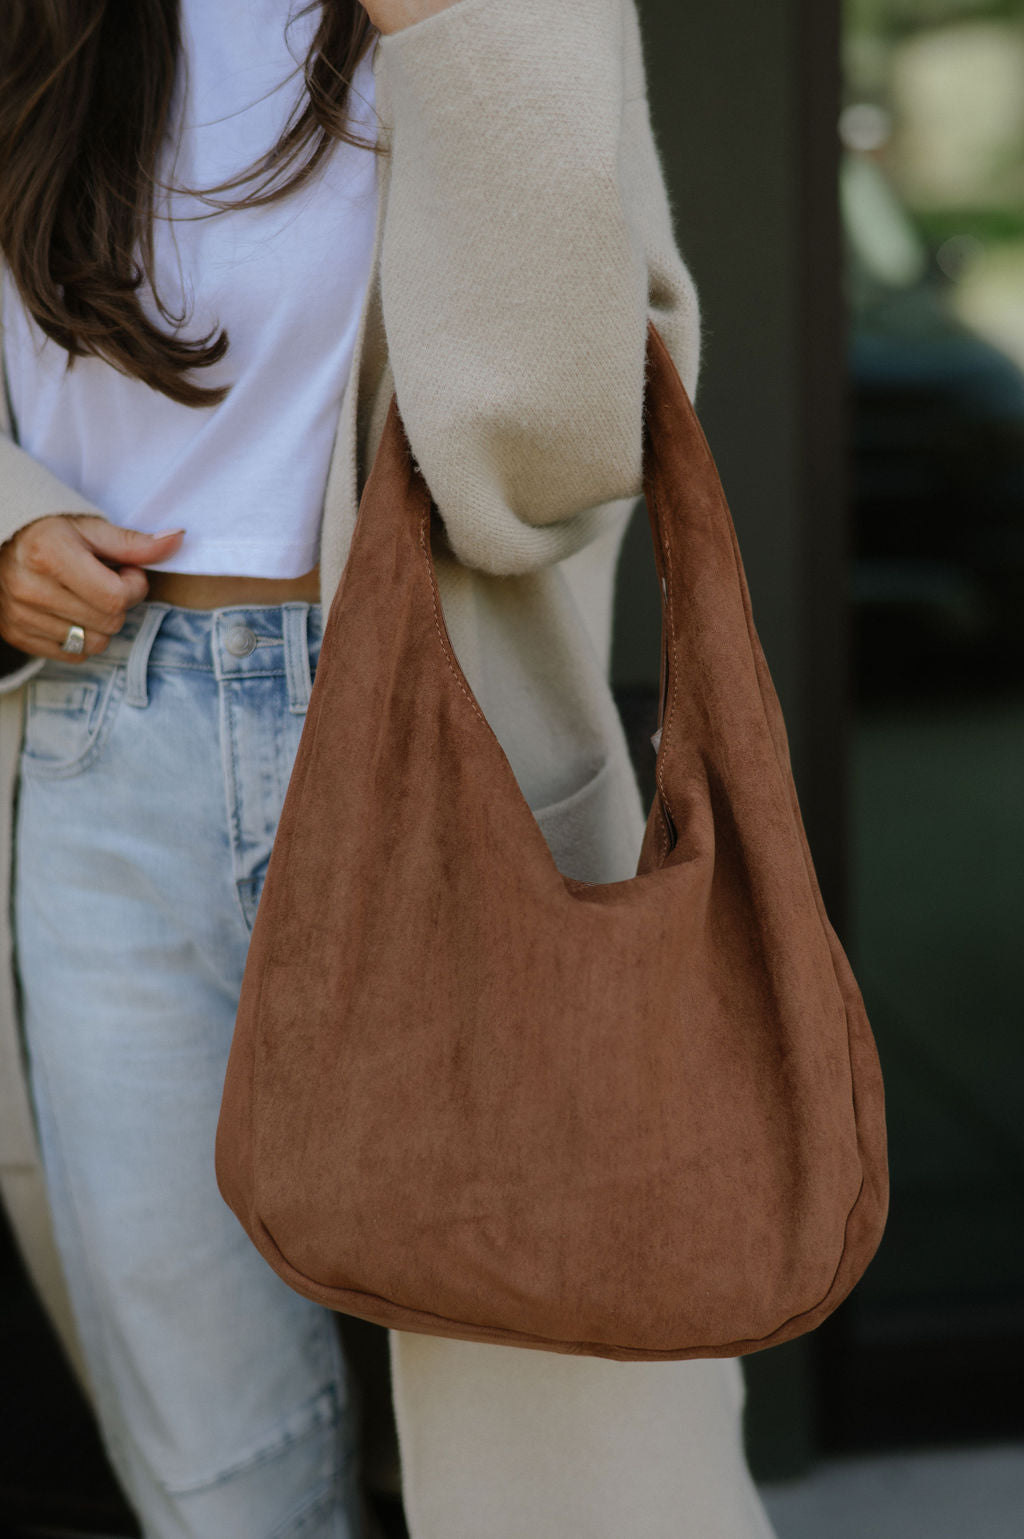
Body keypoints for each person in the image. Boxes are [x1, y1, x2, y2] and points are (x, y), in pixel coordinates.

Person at [0, 2, 779, 1537]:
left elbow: (551, 463)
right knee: (219, 1472)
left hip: (436, 748)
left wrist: (458, 43)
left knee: (545, 1448)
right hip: (103, 747)